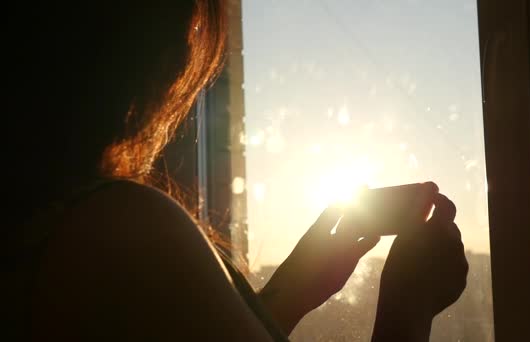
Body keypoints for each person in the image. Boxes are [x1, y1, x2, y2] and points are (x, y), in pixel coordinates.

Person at [10, 1, 468, 340]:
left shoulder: (41, 225)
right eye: (190, 29)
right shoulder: (119, 225)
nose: (187, 71)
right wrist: (408, 309)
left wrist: (288, 295)